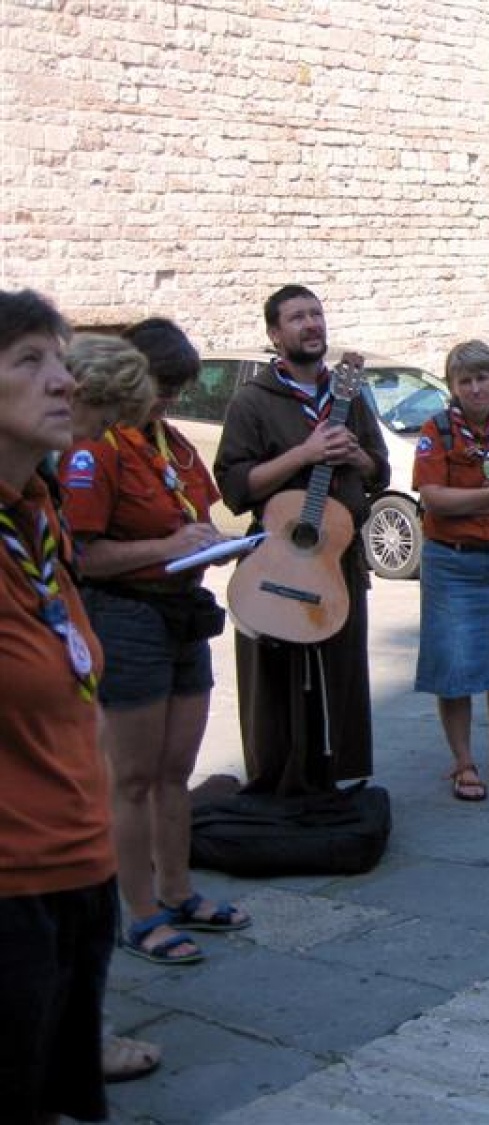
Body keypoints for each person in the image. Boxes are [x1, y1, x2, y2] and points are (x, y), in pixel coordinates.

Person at [61, 319, 251, 967]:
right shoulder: (97, 447)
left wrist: (213, 545)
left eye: (176, 387)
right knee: (133, 776)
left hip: (181, 613)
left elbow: (198, 513)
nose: (168, 398)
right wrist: (168, 548)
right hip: (127, 615)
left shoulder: (170, 444)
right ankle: (139, 912)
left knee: (176, 770)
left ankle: (177, 888)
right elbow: (83, 556)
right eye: (162, 384)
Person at [0, 289, 115, 1122]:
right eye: (29, 361)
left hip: (81, 868)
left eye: (60, 358)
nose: (62, 380)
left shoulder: (38, 515)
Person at [214, 285, 391, 795]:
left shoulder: (348, 396)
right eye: (297, 317)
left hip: (338, 560)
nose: (312, 324)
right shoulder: (252, 402)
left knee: (341, 675)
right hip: (278, 561)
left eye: (317, 314)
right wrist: (305, 453)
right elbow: (234, 487)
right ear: (275, 334)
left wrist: (359, 459)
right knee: (276, 682)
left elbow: (378, 470)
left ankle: (336, 779)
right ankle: (277, 784)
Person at [60, 333, 164, 1082]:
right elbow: (82, 555)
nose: (95, 435)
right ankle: (76, 1040)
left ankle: (79, 1031)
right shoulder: (68, 460)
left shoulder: (41, 476)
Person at [412, 340, 489, 800]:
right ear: (452, 387)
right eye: (464, 381)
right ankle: (463, 763)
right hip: (454, 561)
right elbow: (433, 497)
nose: (475, 387)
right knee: (456, 664)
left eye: (482, 378)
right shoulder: (437, 430)